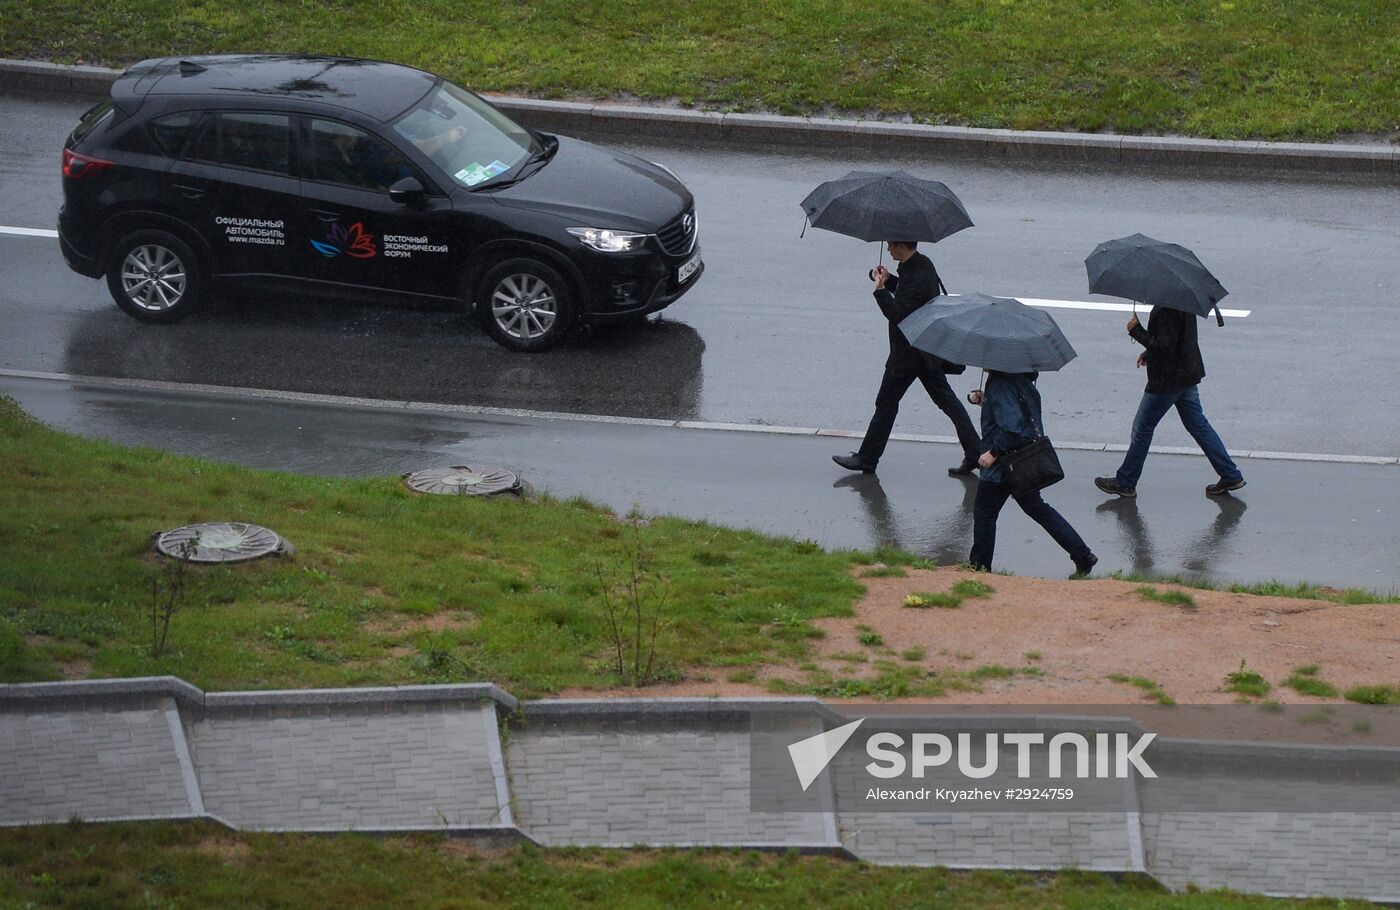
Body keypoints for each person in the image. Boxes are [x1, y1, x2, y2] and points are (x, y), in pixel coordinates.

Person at [833, 240, 982, 476]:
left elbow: (898, 313)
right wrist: (889, 279)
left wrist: (880, 291)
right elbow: (908, 292)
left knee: (886, 404)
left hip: (908, 355)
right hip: (925, 352)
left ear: (901, 245)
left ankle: (867, 458)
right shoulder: (920, 265)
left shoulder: (918, 273)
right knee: (948, 403)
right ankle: (975, 452)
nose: (889, 249)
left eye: (891, 245)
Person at [1094, 307, 1245, 499]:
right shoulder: (1182, 301)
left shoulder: (1166, 307)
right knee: (1198, 425)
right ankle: (1230, 475)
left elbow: (1165, 347)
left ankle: (1125, 482)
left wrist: (1136, 330)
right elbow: (1176, 338)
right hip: (1186, 373)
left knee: (1143, 427)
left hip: (1168, 379)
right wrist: (1149, 353)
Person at [969, 370, 1097, 576]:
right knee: (1039, 509)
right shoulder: (1023, 378)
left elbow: (1012, 428)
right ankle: (1082, 555)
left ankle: (979, 567)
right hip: (1023, 462)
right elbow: (1020, 414)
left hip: (1003, 465)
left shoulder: (1001, 384)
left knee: (984, 514)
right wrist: (986, 400)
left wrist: (992, 453)